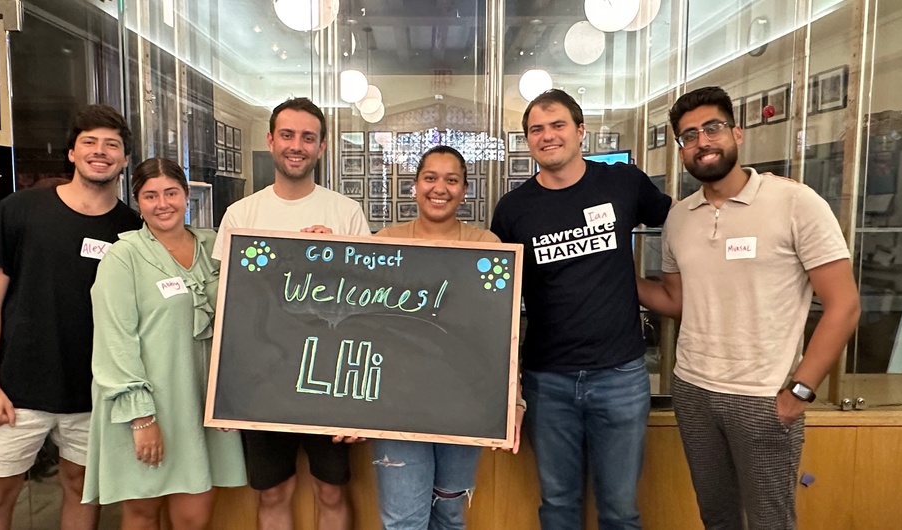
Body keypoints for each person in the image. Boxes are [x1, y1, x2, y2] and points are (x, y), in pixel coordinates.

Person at [637, 86, 860, 530]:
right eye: (689, 135)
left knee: (770, 521)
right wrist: (613, 274)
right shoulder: (679, 217)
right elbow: (676, 301)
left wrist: (799, 391)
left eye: (713, 128)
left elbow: (845, 305)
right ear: (680, 149)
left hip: (763, 395)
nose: (702, 142)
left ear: (737, 133)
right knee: (717, 518)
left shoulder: (795, 202)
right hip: (694, 391)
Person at [489, 89, 672, 530]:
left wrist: (651, 288)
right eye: (537, 129)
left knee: (621, 510)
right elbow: (498, 297)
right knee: (557, 506)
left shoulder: (622, 182)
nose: (548, 136)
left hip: (620, 376)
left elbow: (681, 223)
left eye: (558, 125)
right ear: (528, 140)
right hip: (547, 380)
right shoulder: (513, 209)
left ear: (580, 131)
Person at [0, 104, 141, 530]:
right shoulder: (20, 210)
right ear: (72, 153)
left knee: (82, 489)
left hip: (95, 390)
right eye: (89, 142)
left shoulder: (133, 228)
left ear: (125, 160)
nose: (100, 152)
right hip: (14, 389)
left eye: (111, 145)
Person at [213, 97, 370, 530]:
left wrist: (338, 256)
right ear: (270, 141)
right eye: (287, 135)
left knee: (331, 490)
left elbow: (368, 305)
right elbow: (229, 305)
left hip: (331, 375)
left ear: (322, 146)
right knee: (272, 491)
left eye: (307, 137)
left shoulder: (346, 213)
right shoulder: (242, 214)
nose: (296, 145)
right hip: (262, 377)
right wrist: (226, 392)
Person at [83, 158, 247, 529]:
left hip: (201, 403)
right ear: (137, 201)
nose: (162, 204)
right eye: (150, 195)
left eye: (171, 193)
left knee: (194, 517)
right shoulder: (122, 258)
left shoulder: (215, 247)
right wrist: (142, 418)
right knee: (143, 514)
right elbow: (115, 341)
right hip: (147, 405)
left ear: (187, 196)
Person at [371, 145, 523, 530]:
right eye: (430, 178)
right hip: (396, 406)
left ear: (465, 189)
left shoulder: (487, 247)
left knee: (450, 516)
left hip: (464, 405)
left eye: (451, 180)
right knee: (404, 522)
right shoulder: (385, 243)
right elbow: (363, 330)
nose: (440, 188)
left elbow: (500, 334)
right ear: (415, 185)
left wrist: (514, 402)